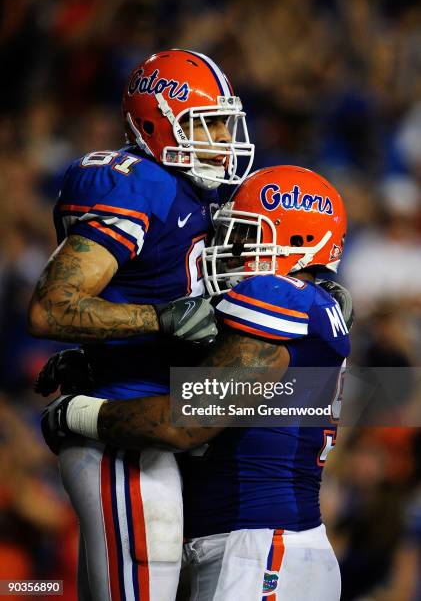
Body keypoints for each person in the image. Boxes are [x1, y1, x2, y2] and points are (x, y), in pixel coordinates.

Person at [40, 165, 351, 600]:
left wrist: (77, 413)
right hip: (267, 546)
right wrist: (102, 363)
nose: (230, 247)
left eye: (246, 234)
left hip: (261, 550)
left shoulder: (278, 297)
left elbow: (183, 421)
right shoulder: (312, 306)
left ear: (298, 239)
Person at [28, 49, 254, 601]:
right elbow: (51, 306)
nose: (225, 139)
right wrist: (155, 321)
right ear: (158, 123)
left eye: (227, 122)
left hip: (174, 424)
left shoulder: (205, 194)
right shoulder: (142, 185)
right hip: (132, 426)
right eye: (210, 123)